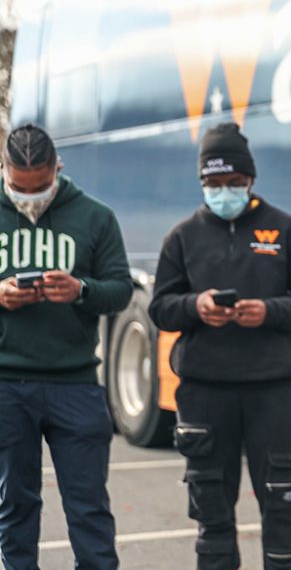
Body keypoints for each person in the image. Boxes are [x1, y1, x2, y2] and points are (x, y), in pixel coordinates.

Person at [149, 122, 291, 570]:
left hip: (274, 390)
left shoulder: (287, 231)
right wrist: (196, 306)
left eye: (233, 183)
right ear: (202, 182)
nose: (223, 191)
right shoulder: (182, 236)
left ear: (250, 180)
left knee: (282, 508)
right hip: (205, 392)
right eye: (213, 183)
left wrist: (268, 312)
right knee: (211, 514)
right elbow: (160, 308)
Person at [0, 124, 133, 570]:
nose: (30, 197)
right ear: (4, 169)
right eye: (20, 187)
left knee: (89, 509)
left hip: (75, 381)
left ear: (57, 169)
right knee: (14, 507)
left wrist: (80, 289)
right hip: (6, 383)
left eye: (41, 188)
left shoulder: (95, 216)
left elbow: (120, 290)